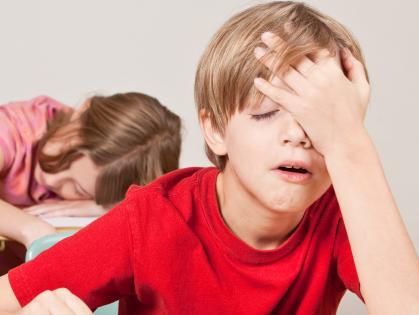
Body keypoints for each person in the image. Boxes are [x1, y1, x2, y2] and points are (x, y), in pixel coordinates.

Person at [1, 1, 418, 314]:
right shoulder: (151, 219)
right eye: (266, 113)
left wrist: (349, 145)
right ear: (215, 129)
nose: (299, 136)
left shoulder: (345, 214)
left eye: (322, 121)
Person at [0, 93, 181, 251]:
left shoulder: (108, 192)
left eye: (79, 190)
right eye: (64, 157)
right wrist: (32, 229)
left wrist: (106, 206)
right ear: (81, 112)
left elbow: (166, 208)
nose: (53, 179)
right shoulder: (18, 127)